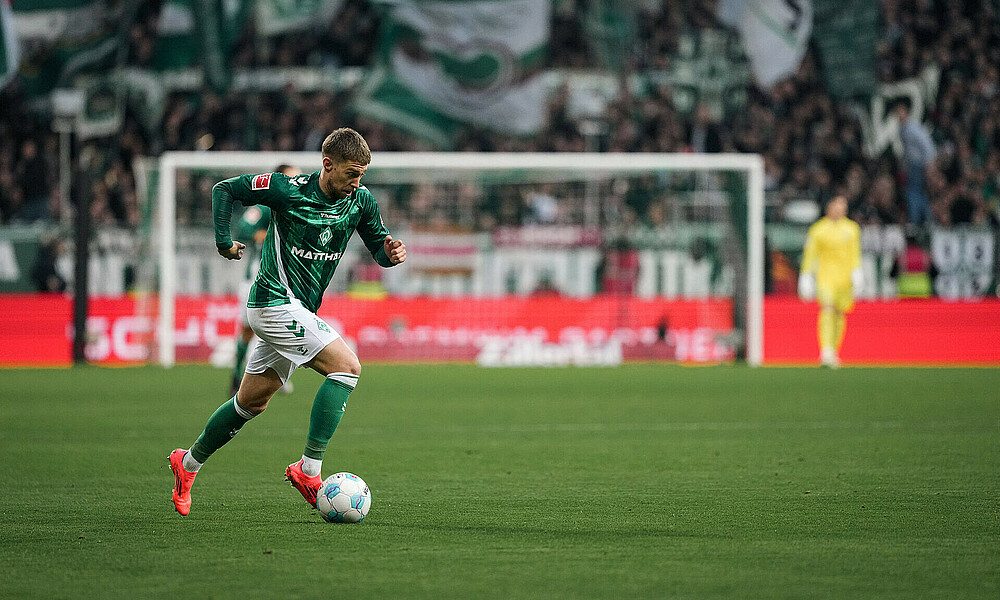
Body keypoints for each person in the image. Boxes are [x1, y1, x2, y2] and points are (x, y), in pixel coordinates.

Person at [169, 128, 406, 516]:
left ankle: (187, 463)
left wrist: (389, 253)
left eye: (362, 174)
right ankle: (309, 470)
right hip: (273, 303)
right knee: (347, 368)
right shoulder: (286, 189)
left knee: (250, 403)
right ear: (327, 165)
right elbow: (223, 190)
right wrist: (223, 241)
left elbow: (378, 245)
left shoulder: (360, 201)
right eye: (350, 173)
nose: (356, 182)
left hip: (300, 312)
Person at [228, 163, 302, 396]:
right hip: (257, 279)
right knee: (248, 330)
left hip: (286, 281)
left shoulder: (300, 209)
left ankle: (276, 376)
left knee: (284, 330)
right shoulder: (265, 207)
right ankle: (236, 374)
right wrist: (265, 234)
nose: (297, 183)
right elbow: (242, 229)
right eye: (292, 178)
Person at [798, 195, 862, 368]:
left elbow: (854, 253)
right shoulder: (818, 229)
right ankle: (825, 350)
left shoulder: (852, 229)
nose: (841, 209)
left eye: (844, 206)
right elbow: (811, 254)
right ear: (829, 207)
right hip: (825, 277)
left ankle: (834, 350)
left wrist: (857, 271)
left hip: (844, 279)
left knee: (840, 313)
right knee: (827, 309)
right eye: (838, 205)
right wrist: (806, 275)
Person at [894, 99, 936, 225]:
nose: (898, 113)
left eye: (901, 111)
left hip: (918, 165)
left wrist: (929, 164)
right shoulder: (904, 128)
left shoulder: (913, 128)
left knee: (913, 193)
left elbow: (927, 145)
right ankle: (926, 220)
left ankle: (916, 222)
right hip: (913, 165)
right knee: (918, 193)